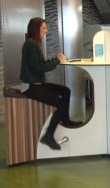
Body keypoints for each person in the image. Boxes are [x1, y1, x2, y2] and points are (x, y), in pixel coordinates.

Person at [20, 17, 81, 150]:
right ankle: (48, 135)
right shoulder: (31, 45)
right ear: (36, 29)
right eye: (43, 28)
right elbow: (39, 67)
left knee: (66, 91)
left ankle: (65, 120)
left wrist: (56, 59)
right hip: (31, 87)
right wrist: (58, 61)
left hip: (37, 84)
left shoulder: (33, 44)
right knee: (59, 104)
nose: (46, 31)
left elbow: (40, 64)